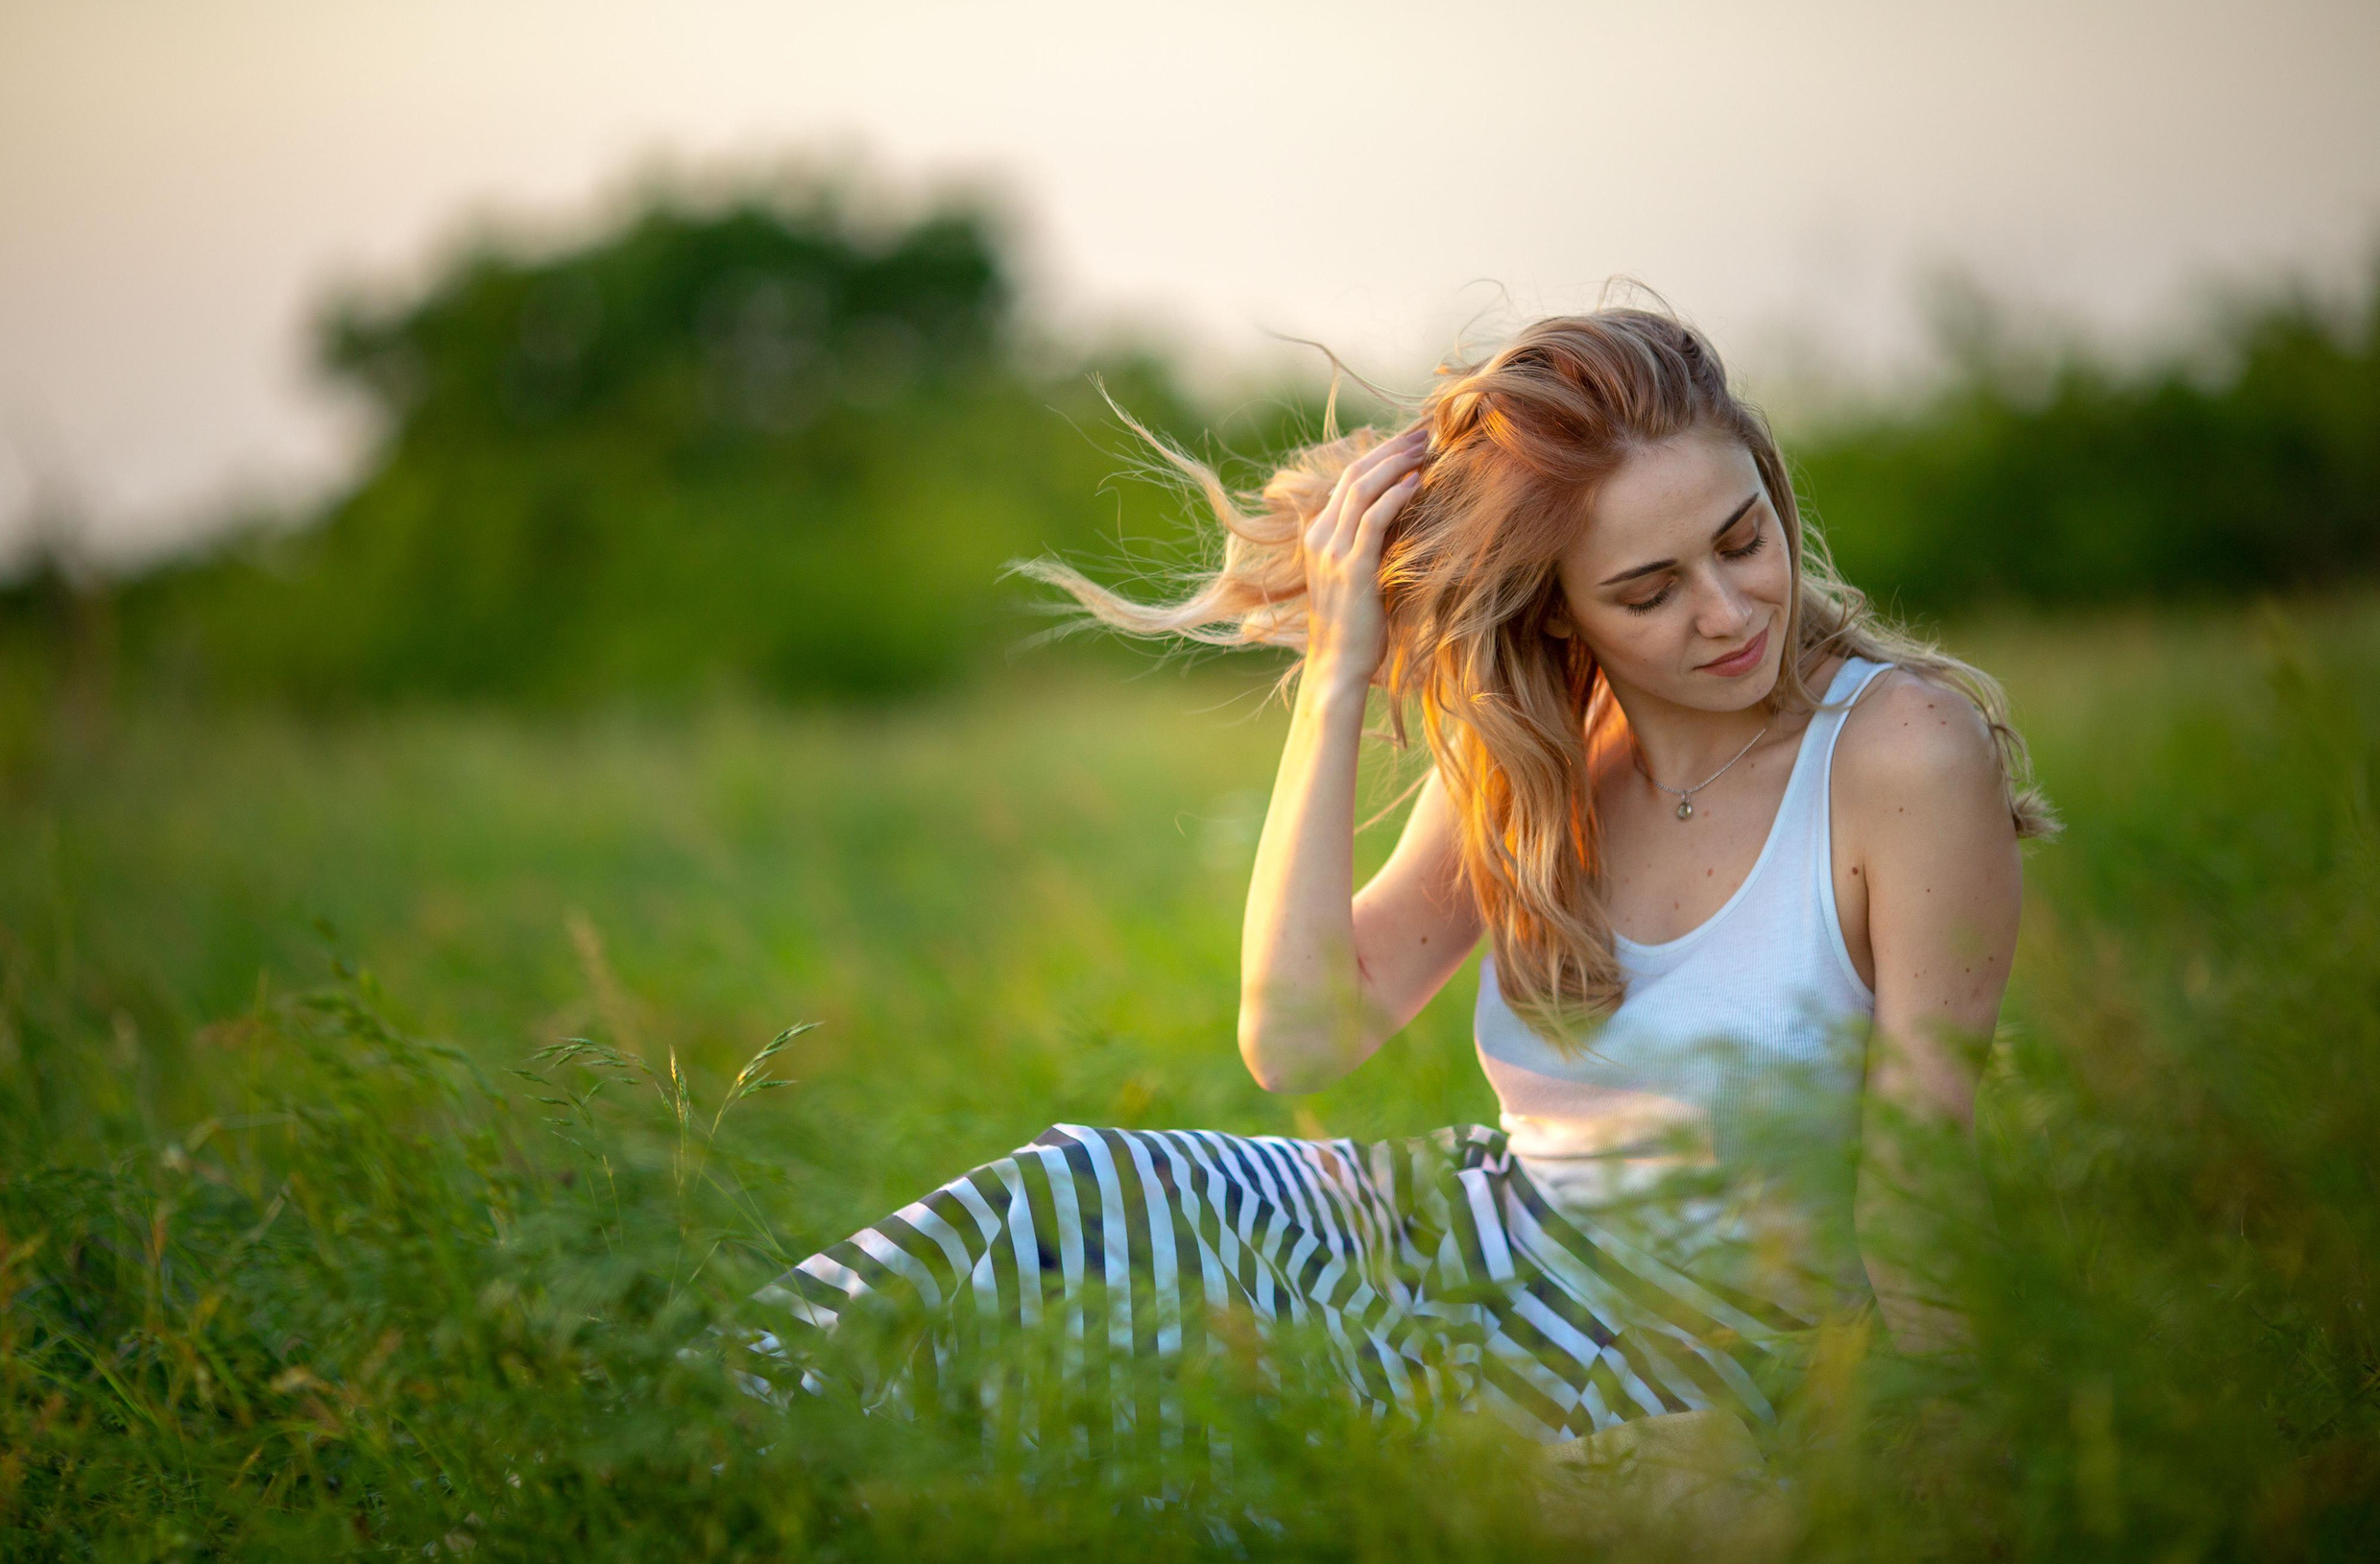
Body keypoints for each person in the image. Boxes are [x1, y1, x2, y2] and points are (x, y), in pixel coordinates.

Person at [737, 304, 2055, 1480]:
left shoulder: (1903, 755)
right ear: (1556, 615)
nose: (1726, 613)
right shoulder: (1539, 747)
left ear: (1770, 492)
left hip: (1724, 1340)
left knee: (1459, 1477)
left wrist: (1958, 1443)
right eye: (1648, 591)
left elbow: (1918, 1160)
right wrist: (1340, 677)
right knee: (1074, 1195)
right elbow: (1301, 1038)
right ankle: (701, 1451)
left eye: (1742, 540)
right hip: (1471, 1240)